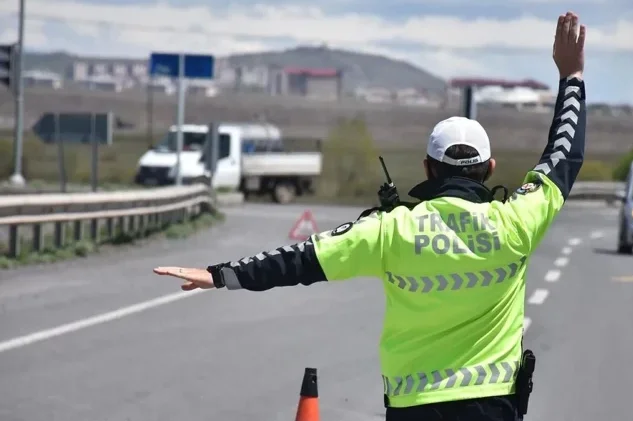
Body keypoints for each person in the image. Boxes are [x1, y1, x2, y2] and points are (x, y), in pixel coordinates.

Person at [153, 11, 587, 421]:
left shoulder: (389, 231)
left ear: (427, 169)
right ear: (490, 169)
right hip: (494, 408)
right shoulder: (516, 223)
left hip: (413, 406)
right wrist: (572, 77)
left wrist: (223, 274)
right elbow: (563, 155)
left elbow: (302, 259)